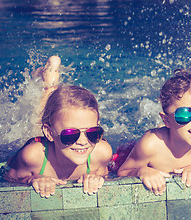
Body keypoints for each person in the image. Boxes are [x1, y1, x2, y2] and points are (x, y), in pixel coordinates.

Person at [5, 56, 112, 198]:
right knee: (36, 123)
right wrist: (30, 179)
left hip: (55, 134)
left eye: (93, 133)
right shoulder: (32, 157)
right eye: (70, 134)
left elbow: (106, 173)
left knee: (53, 116)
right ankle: (49, 84)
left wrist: (97, 176)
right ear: (49, 133)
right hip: (45, 146)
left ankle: (50, 82)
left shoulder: (101, 153)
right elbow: (8, 178)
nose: (82, 141)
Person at [117, 69, 191, 195]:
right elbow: (122, 172)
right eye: (185, 114)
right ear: (166, 120)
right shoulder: (150, 145)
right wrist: (141, 171)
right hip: (135, 154)